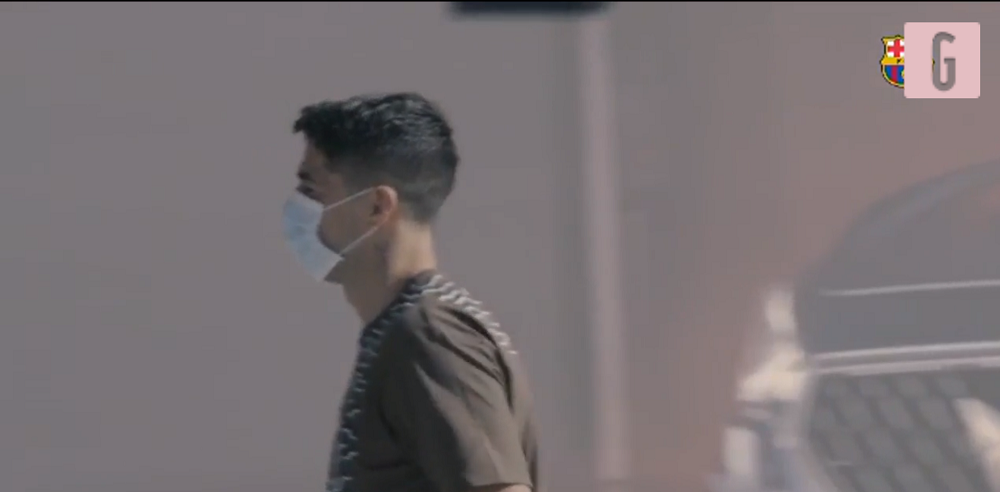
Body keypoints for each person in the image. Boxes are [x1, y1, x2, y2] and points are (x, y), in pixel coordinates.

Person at [280, 92, 539, 492]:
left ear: (376, 207)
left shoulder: (430, 336)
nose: (298, 208)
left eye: (312, 190)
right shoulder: (404, 331)